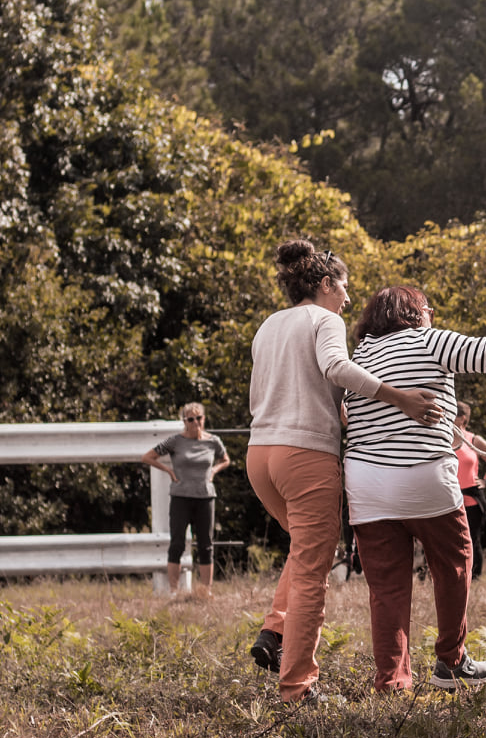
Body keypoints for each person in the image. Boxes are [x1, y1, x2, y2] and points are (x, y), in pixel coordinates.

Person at [246, 239, 441, 704]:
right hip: (305, 456)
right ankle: (297, 687)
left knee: (303, 551)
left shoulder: (269, 325)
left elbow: (289, 388)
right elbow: (336, 367)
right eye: (345, 287)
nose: (349, 298)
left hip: (260, 455)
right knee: (312, 572)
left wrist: (343, 413)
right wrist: (399, 397)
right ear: (326, 283)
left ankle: (275, 631)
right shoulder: (324, 319)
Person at [344, 286, 486, 692]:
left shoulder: (360, 355)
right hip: (423, 475)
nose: (431, 315)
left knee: (386, 588)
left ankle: (392, 680)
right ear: (415, 312)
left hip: (365, 483)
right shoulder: (427, 339)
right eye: (428, 308)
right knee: (454, 564)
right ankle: (452, 660)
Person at [142, 402, 230, 600]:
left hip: (205, 496)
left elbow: (225, 459)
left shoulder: (213, 441)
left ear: (204, 419)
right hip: (181, 497)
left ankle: (206, 591)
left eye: (199, 418)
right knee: (177, 543)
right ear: (184, 421)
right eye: (191, 419)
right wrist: (169, 471)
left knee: (206, 544)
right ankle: (174, 591)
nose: (195, 423)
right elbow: (147, 457)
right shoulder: (176, 441)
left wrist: (214, 471)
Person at [452, 401, 486, 579]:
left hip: (471, 496)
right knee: (448, 539)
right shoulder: (442, 439)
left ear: (462, 419)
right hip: (448, 496)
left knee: (472, 538)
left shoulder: (473, 440)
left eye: (452, 414)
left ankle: (474, 576)